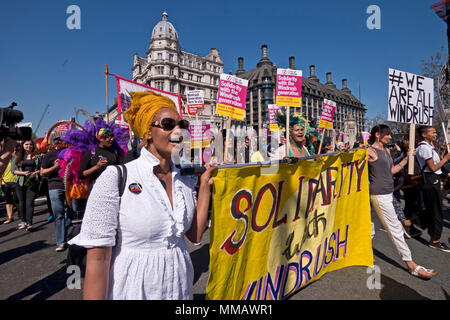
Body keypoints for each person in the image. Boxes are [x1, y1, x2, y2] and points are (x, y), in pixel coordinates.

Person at [68, 91, 217, 300]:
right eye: (168, 124)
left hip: (180, 288)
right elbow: (98, 259)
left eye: (181, 125)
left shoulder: (183, 179)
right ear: (148, 132)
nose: (178, 132)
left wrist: (204, 186)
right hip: (133, 289)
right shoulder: (116, 177)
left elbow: (194, 236)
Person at [367, 124, 436, 279]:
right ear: (377, 134)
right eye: (387, 134)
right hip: (379, 195)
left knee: (373, 226)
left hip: (388, 193)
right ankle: (411, 265)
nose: (390, 137)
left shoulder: (386, 151)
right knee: (396, 229)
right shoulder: (368, 151)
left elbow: (391, 170)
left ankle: (363, 253)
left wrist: (406, 158)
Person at [415, 125, 450, 252]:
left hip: (434, 180)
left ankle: (413, 224)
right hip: (430, 180)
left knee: (434, 208)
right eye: (433, 132)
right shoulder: (424, 148)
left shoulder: (430, 147)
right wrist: (446, 159)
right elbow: (433, 168)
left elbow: (438, 162)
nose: (436, 134)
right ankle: (434, 240)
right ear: (424, 135)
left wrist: (444, 152)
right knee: (436, 210)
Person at [40, 134, 73, 252]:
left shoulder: (71, 152)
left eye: (64, 141)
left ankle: (63, 228)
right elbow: (42, 173)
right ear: (54, 143)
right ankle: (61, 242)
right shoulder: (49, 155)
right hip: (55, 186)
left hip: (70, 186)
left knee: (72, 211)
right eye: (59, 141)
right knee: (58, 215)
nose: (62, 143)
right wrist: (55, 167)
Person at [78, 128, 123, 195]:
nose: (111, 139)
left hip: (112, 190)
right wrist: (97, 167)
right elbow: (81, 175)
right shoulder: (91, 153)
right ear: (100, 138)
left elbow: (122, 169)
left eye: (112, 137)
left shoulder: (115, 153)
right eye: (108, 137)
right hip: (95, 191)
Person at [11, 140, 41, 231]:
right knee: (22, 203)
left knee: (30, 203)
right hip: (20, 182)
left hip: (32, 183)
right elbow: (13, 170)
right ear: (23, 145)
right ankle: (23, 221)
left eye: (31, 144)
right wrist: (23, 173)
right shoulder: (17, 156)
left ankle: (29, 223)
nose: (29, 146)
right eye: (26, 144)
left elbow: (41, 169)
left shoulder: (37, 156)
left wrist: (34, 173)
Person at [1, 143, 19, 224]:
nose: (14, 151)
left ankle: (20, 213)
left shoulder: (18, 159)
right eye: (13, 150)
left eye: (16, 150)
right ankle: (10, 217)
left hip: (17, 182)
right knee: (8, 201)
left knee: (16, 199)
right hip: (5, 182)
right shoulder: (3, 159)